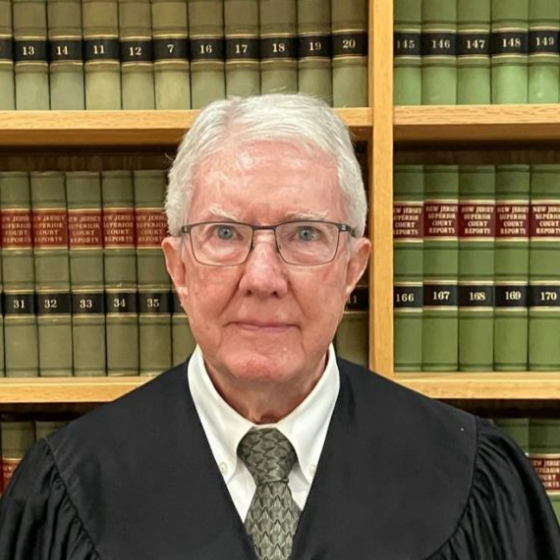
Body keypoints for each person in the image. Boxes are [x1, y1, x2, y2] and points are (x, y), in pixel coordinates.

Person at [0, 94, 559, 560]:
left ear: (353, 268)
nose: (262, 277)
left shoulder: (470, 481)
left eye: (305, 234)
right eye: (224, 233)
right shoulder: (70, 492)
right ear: (177, 268)